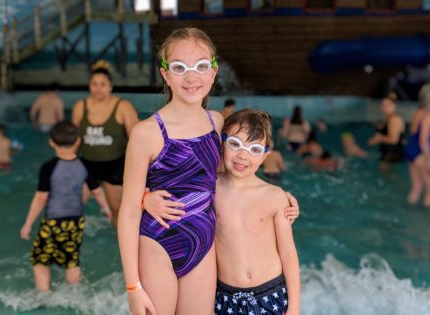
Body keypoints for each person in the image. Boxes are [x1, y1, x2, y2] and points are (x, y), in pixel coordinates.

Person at [117, 27, 299, 315]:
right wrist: (133, 286)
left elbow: (222, 175)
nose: (192, 77)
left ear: (214, 72)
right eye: (180, 68)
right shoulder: (147, 133)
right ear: (165, 73)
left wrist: (277, 194)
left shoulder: (215, 122)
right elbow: (127, 212)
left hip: (202, 245)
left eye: (201, 66)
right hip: (158, 243)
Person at [214, 109, 300, 315]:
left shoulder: (274, 196)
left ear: (264, 156)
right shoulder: (210, 190)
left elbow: (288, 254)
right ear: (222, 144)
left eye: (254, 149)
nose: (243, 156)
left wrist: (295, 306)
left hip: (271, 293)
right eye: (235, 144)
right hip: (224, 296)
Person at [20, 122, 112, 292]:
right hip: (76, 221)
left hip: (53, 222)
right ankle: (75, 292)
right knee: (71, 260)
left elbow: (41, 197)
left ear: (51, 142)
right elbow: (97, 191)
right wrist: (106, 209)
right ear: (77, 141)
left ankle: (44, 295)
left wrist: (28, 223)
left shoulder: (49, 167)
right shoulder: (86, 165)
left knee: (40, 260)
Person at [71, 60, 139, 227]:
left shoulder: (123, 106)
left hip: (114, 166)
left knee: (117, 211)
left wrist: (140, 170)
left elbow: (137, 140)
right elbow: (74, 139)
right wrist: (65, 163)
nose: (98, 88)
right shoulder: (81, 106)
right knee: (72, 208)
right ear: (89, 86)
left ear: (110, 86)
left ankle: (118, 245)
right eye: (94, 84)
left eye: (103, 84)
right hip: (87, 165)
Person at [405, 83, 430, 208]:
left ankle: (409, 213)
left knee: (416, 187)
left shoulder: (417, 112)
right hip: (420, 152)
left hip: (411, 150)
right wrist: (429, 160)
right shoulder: (428, 115)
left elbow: (413, 131)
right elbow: (423, 141)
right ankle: (428, 223)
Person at [368, 92, 406, 167]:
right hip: (390, 152)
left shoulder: (394, 120)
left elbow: (393, 140)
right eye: (382, 105)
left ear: (394, 106)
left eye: (387, 106)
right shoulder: (389, 118)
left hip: (392, 153)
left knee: (387, 175)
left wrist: (379, 138)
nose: (383, 108)